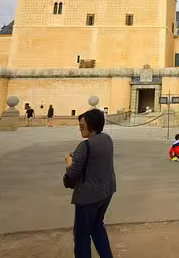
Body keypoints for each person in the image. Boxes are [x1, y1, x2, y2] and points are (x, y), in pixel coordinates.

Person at [64, 109, 116, 258]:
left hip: (88, 197)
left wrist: (69, 162)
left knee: (81, 235)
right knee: (97, 227)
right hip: (106, 192)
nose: (80, 128)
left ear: (91, 126)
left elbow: (73, 173)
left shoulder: (84, 146)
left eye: (82, 125)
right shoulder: (107, 139)